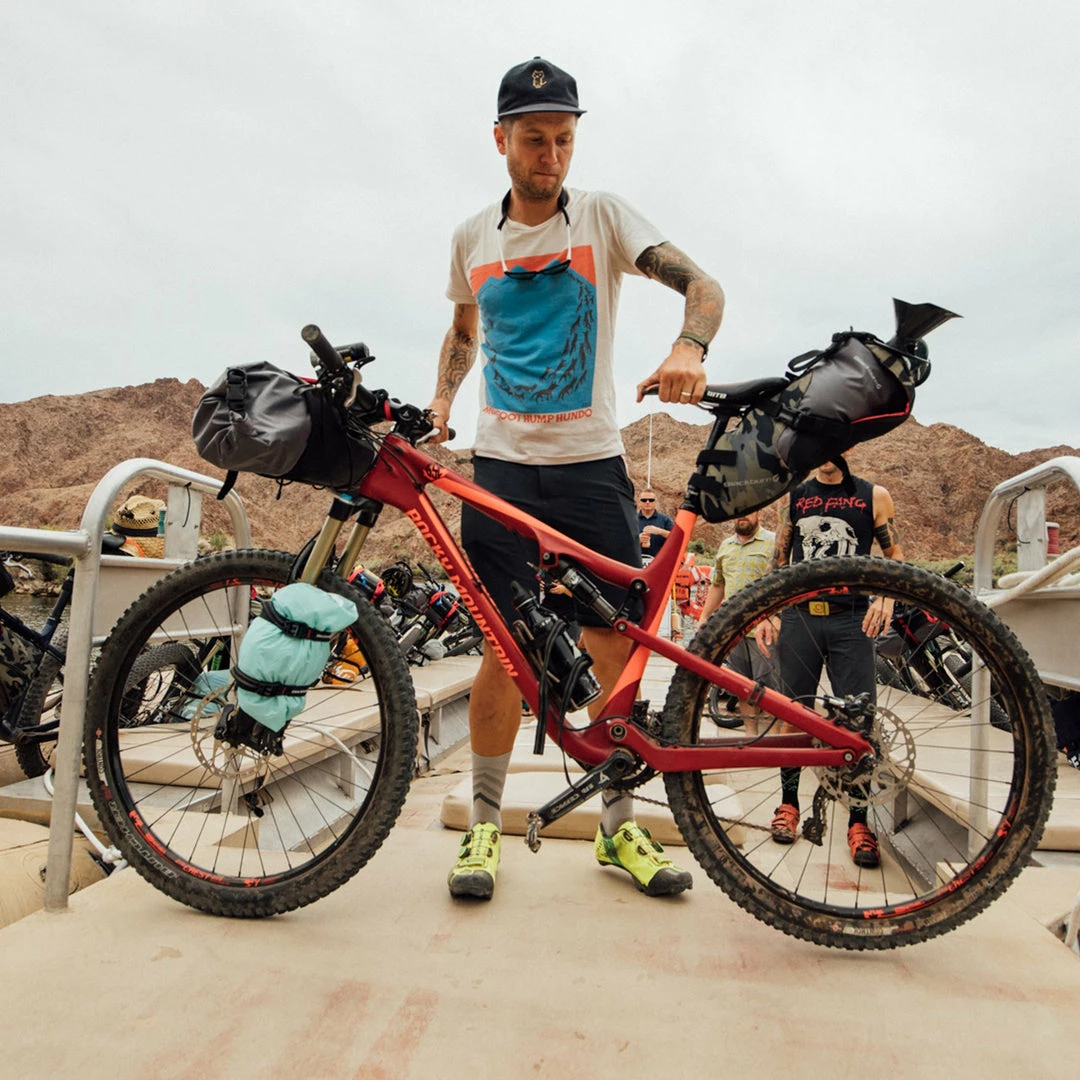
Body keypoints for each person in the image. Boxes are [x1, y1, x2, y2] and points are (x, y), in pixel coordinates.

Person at [427, 56, 724, 901]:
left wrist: (687, 347)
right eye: (533, 139)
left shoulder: (601, 217)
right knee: (503, 650)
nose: (550, 153)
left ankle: (618, 828)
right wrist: (444, 399)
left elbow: (703, 286)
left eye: (563, 138)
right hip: (501, 473)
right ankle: (483, 829)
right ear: (501, 141)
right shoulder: (471, 238)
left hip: (592, 468)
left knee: (614, 649)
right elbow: (463, 326)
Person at [755, 456, 903, 868]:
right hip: (800, 616)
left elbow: (894, 552)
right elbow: (779, 559)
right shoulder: (798, 496)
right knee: (792, 715)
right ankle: (788, 805)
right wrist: (768, 611)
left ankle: (858, 821)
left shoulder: (873, 495)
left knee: (859, 723)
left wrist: (887, 598)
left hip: (852, 619)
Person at [697, 510, 775, 730]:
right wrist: (704, 616)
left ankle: (772, 742)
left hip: (764, 629)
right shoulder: (725, 546)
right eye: (739, 513)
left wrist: (773, 618)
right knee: (742, 686)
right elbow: (718, 585)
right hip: (734, 631)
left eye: (749, 512)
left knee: (769, 690)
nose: (743, 517)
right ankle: (751, 735)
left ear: (759, 513)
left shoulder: (773, 543)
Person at [636, 489, 674, 560]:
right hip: (635, 562)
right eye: (644, 500)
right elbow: (621, 539)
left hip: (659, 562)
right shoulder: (631, 519)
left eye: (651, 500)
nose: (647, 502)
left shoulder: (665, 520)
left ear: (655, 502)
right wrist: (636, 540)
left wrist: (660, 531)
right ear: (639, 502)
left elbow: (676, 538)